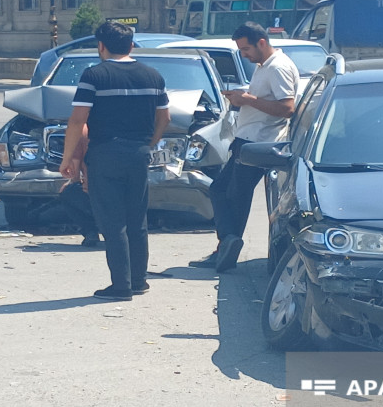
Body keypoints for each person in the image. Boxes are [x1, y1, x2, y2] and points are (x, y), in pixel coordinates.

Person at [61, 21, 169, 300]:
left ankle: (121, 286)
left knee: (112, 221)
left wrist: (68, 157)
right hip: (138, 154)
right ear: (131, 45)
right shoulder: (153, 76)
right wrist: (149, 143)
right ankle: (139, 281)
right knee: (137, 219)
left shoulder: (94, 76)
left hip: (105, 153)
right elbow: (164, 118)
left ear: (101, 46)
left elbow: (78, 120)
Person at [190, 21, 299, 272]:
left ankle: (227, 245)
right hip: (249, 138)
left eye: (246, 49)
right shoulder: (265, 65)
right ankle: (227, 244)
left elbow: (287, 108)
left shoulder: (278, 67)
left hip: (260, 142)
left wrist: (247, 99)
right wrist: (243, 98)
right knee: (225, 191)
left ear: (261, 42)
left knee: (230, 193)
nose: (244, 55)